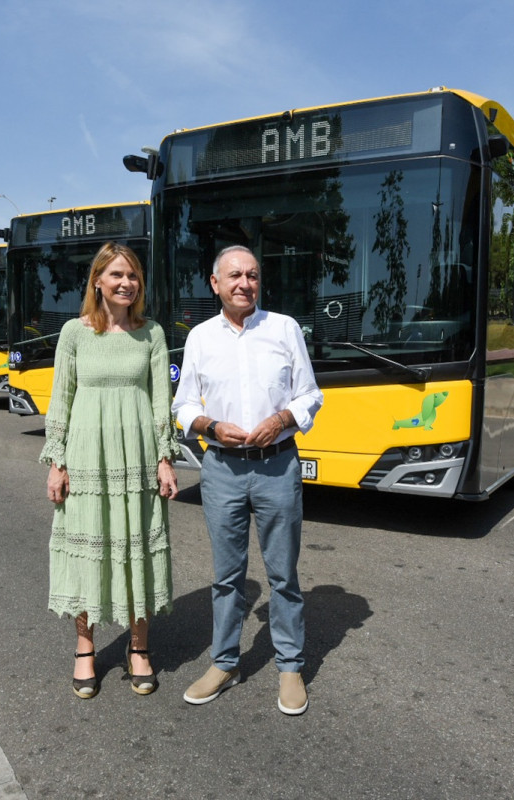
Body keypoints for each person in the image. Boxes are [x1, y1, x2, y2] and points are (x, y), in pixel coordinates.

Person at [172, 244, 324, 716]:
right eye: (235, 275)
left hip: (277, 465)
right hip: (221, 469)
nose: (245, 283)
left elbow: (310, 396)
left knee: (283, 575)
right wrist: (210, 427)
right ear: (215, 284)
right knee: (226, 576)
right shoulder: (199, 337)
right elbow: (183, 406)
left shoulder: (284, 328)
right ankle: (224, 662)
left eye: (253, 275)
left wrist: (281, 420)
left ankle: (290, 666)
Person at [40, 242, 180, 699]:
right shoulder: (73, 333)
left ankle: (138, 647)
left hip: (137, 457)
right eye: (117, 274)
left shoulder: (153, 333)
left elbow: (162, 400)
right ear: (97, 281)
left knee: (135, 547)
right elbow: (61, 397)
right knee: (89, 548)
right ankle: (85, 648)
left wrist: (165, 458)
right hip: (86, 457)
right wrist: (57, 463)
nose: (126, 283)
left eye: (133, 276)